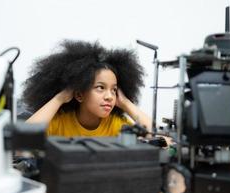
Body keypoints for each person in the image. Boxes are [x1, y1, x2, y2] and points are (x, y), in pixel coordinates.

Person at [22, 40, 151, 137]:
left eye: (114, 90)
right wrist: (59, 98)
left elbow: (162, 141)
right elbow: (22, 140)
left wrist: (125, 103)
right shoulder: (60, 121)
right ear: (79, 95)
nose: (109, 96)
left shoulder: (115, 124)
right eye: (101, 87)